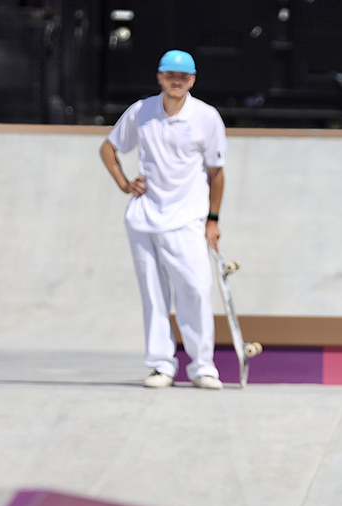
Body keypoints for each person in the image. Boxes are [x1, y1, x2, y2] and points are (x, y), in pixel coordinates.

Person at [99, 49, 227, 389]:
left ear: (192, 81)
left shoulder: (207, 117)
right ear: (159, 77)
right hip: (143, 219)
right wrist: (125, 183)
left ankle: (202, 366)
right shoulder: (141, 111)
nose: (176, 81)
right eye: (170, 75)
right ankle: (160, 365)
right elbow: (108, 148)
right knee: (153, 295)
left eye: (183, 77)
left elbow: (216, 174)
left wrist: (212, 220)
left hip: (188, 219)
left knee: (196, 291)